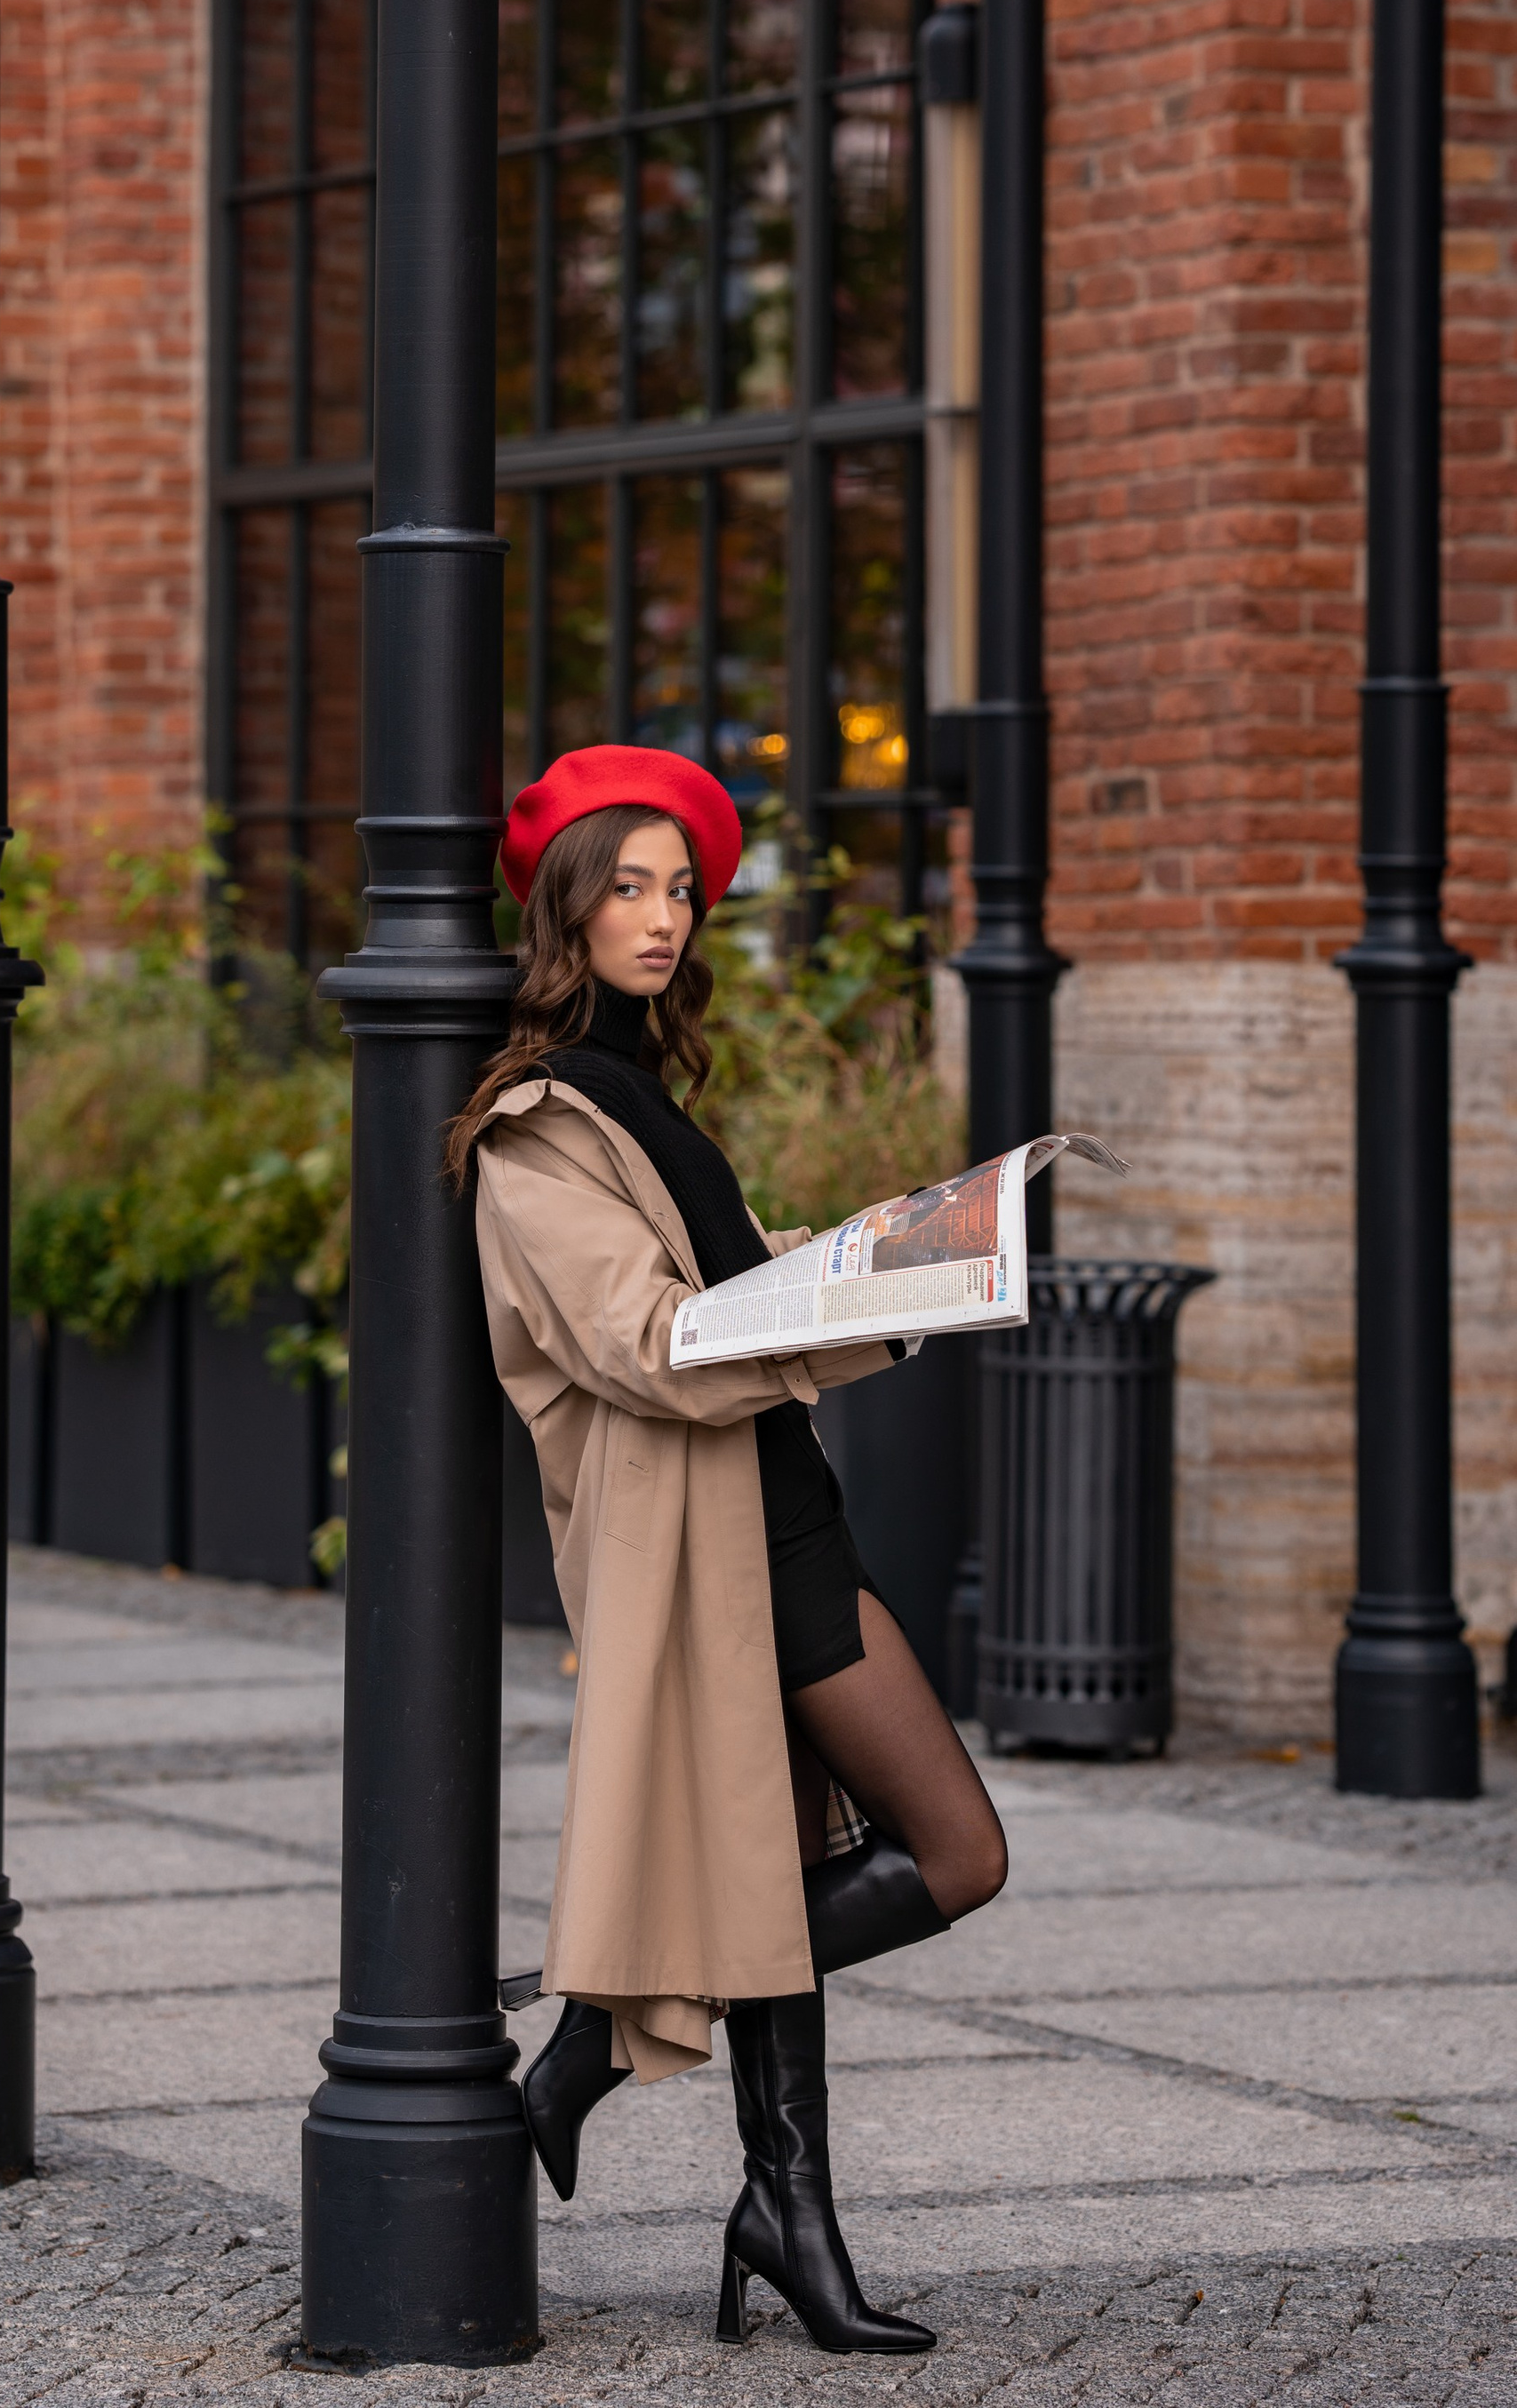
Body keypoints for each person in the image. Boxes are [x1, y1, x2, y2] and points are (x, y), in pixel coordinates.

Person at [447, 743, 1008, 2356]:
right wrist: (859, 1312)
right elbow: (648, 1341)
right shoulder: (535, 1128)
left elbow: (730, 1269)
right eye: (627, 884)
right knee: (953, 1852)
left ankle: (769, 2201)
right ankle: (607, 2071)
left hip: (778, 1512)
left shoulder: (643, 1098)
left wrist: (900, 1263)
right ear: (563, 903)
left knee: (834, 1861)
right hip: (706, 1549)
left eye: (681, 888)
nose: (663, 915)